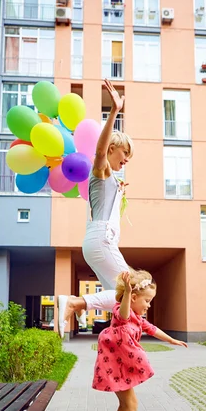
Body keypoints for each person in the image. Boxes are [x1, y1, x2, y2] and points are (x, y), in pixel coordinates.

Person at [57, 79, 133, 337]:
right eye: (124, 153)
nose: (126, 160)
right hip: (101, 241)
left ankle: (112, 335)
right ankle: (75, 303)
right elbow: (99, 152)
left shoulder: (108, 178)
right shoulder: (99, 169)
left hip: (97, 241)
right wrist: (114, 111)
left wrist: (118, 190)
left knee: (124, 296)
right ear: (112, 148)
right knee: (134, 285)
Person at [92, 269, 188, 411]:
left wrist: (171, 340)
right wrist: (127, 292)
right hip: (114, 367)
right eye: (146, 301)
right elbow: (124, 313)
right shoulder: (121, 312)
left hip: (120, 366)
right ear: (133, 297)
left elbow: (153, 329)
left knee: (125, 404)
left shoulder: (137, 318)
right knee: (131, 404)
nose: (149, 305)